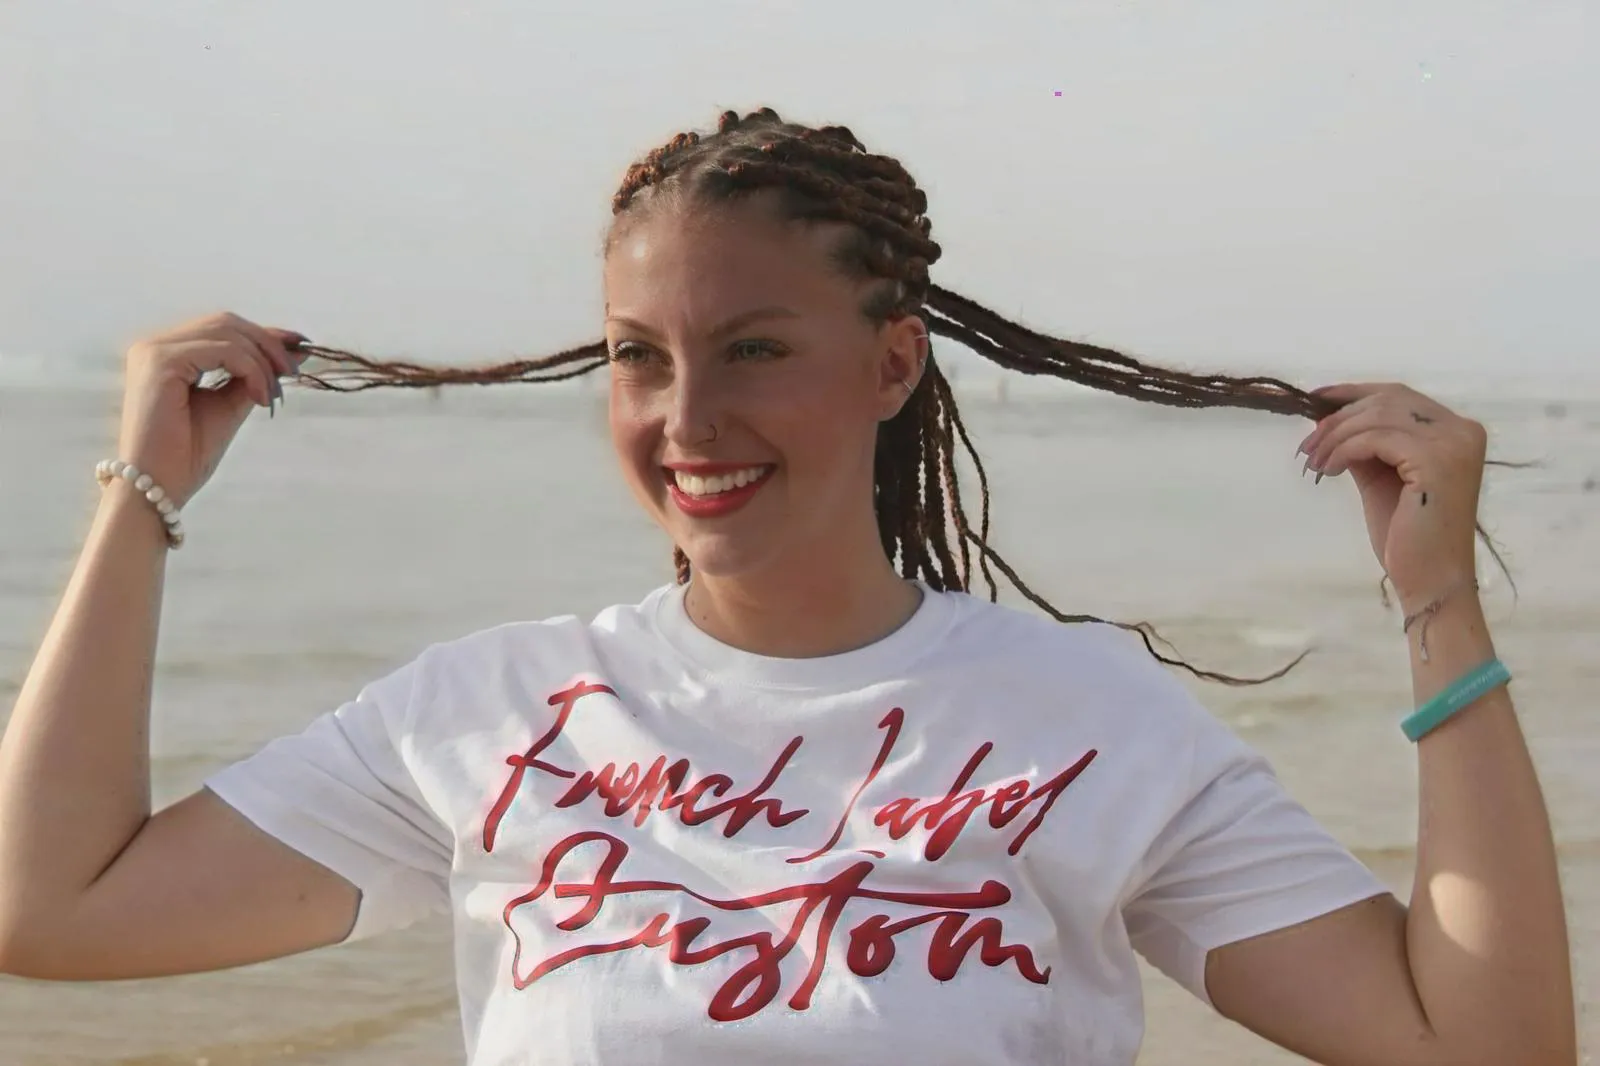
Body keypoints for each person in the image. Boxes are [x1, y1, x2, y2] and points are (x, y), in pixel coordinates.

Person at [0, 107, 1575, 1066]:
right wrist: (140, 500)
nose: (686, 422)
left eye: (753, 350)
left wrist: (1439, 602)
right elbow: (50, 912)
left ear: (894, 364)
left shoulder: (1086, 723)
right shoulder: (484, 714)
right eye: (639, 359)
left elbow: (1482, 1042)